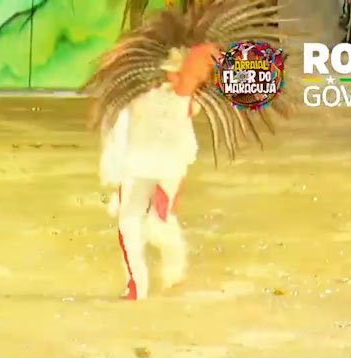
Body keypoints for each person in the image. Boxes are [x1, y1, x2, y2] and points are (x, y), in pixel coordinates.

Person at [85, 0, 292, 301]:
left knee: (157, 223)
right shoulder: (158, 81)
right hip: (138, 155)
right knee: (131, 221)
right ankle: (139, 283)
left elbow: (189, 97)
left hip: (164, 159)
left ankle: (171, 268)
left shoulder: (186, 94)